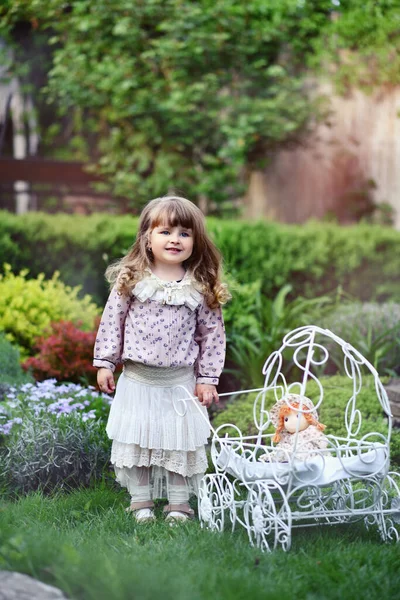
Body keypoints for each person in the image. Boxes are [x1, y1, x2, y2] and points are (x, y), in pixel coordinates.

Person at [93, 195, 230, 523]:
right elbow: (113, 322)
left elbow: (212, 337)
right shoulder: (133, 281)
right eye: (166, 231)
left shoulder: (199, 287)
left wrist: (207, 379)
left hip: (179, 383)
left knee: (177, 443)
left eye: (185, 233)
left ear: (195, 242)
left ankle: (179, 503)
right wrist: (105, 362)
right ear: (147, 239)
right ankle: (141, 501)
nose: (175, 239)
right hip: (138, 380)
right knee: (138, 438)